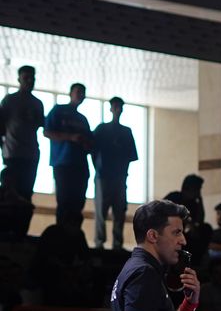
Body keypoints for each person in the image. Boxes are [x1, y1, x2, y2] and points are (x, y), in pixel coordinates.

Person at [90, 96, 138, 251]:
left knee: (119, 211)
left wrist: (123, 174)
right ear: (110, 108)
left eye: (119, 107)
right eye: (115, 106)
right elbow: (92, 151)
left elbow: (130, 157)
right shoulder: (101, 129)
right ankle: (99, 242)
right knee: (101, 211)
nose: (117, 109)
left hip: (119, 177)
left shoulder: (126, 132)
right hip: (103, 176)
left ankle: (117, 243)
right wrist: (99, 170)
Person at [44, 82, 93, 227]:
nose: (80, 95)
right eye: (78, 91)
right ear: (70, 93)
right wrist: (71, 137)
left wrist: (85, 143)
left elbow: (90, 144)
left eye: (83, 93)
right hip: (63, 163)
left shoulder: (83, 119)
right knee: (64, 201)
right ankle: (61, 233)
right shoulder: (58, 111)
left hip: (81, 165)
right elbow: (47, 132)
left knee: (78, 203)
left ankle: (74, 233)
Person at [0, 65, 45, 208]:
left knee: (26, 194)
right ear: (19, 79)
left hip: (30, 155)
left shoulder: (37, 103)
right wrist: (3, 150)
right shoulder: (9, 100)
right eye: (26, 78)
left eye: (32, 78)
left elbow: (41, 125)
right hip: (13, 154)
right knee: (10, 194)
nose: (30, 81)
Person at [165, 174, 213, 263]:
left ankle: (195, 260)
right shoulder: (174, 197)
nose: (199, 192)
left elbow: (200, 221)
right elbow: (164, 213)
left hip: (186, 232)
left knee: (206, 228)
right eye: (198, 189)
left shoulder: (193, 203)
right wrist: (187, 222)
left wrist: (200, 201)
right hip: (170, 230)